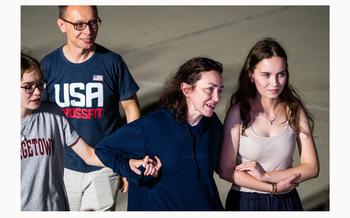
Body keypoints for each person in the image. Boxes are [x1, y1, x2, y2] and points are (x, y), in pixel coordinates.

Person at [21, 53, 159, 211]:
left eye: (40, 84)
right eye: (28, 87)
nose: (38, 92)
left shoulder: (53, 114)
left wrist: (127, 163)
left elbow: (89, 154)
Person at [40, 6, 141, 211]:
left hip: (104, 165)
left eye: (93, 23)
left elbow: (131, 110)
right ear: (62, 25)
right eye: (79, 25)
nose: (88, 31)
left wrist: (128, 160)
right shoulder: (48, 66)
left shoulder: (112, 62)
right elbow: (40, 119)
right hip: (63, 168)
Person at [95, 57, 225, 211]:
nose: (216, 98)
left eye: (220, 90)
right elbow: (104, 150)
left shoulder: (212, 124)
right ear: (186, 90)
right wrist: (129, 167)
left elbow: (216, 167)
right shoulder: (153, 125)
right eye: (209, 89)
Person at [218, 37, 319, 211]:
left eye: (281, 74)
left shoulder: (295, 111)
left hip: (287, 202)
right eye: (266, 75)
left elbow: (311, 167)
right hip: (245, 202)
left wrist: (266, 176)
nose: (275, 83)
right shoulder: (238, 113)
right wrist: (272, 187)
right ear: (251, 75)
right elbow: (226, 170)